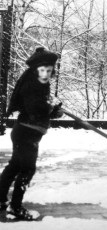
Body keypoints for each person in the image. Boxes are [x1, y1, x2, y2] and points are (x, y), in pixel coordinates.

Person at [0, 47, 63, 220]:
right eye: (45, 69)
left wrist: (51, 105)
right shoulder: (33, 82)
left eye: (50, 70)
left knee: (15, 166)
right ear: (38, 67)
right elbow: (34, 108)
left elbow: (37, 103)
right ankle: (15, 208)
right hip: (27, 132)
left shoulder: (34, 80)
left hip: (25, 130)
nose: (47, 73)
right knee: (27, 170)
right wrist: (53, 110)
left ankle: (0, 200)